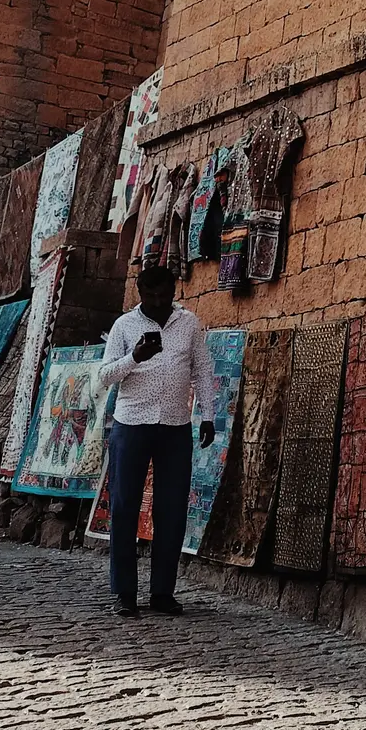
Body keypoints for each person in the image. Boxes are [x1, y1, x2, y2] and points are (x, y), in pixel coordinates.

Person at [97, 264, 218, 617]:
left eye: (164, 295)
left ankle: (163, 593)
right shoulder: (124, 326)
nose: (158, 301)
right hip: (131, 425)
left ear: (174, 291)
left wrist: (207, 415)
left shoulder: (189, 324)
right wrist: (135, 356)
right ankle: (125, 593)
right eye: (150, 296)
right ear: (140, 294)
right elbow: (105, 376)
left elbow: (203, 370)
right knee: (124, 508)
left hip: (175, 426)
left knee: (172, 510)